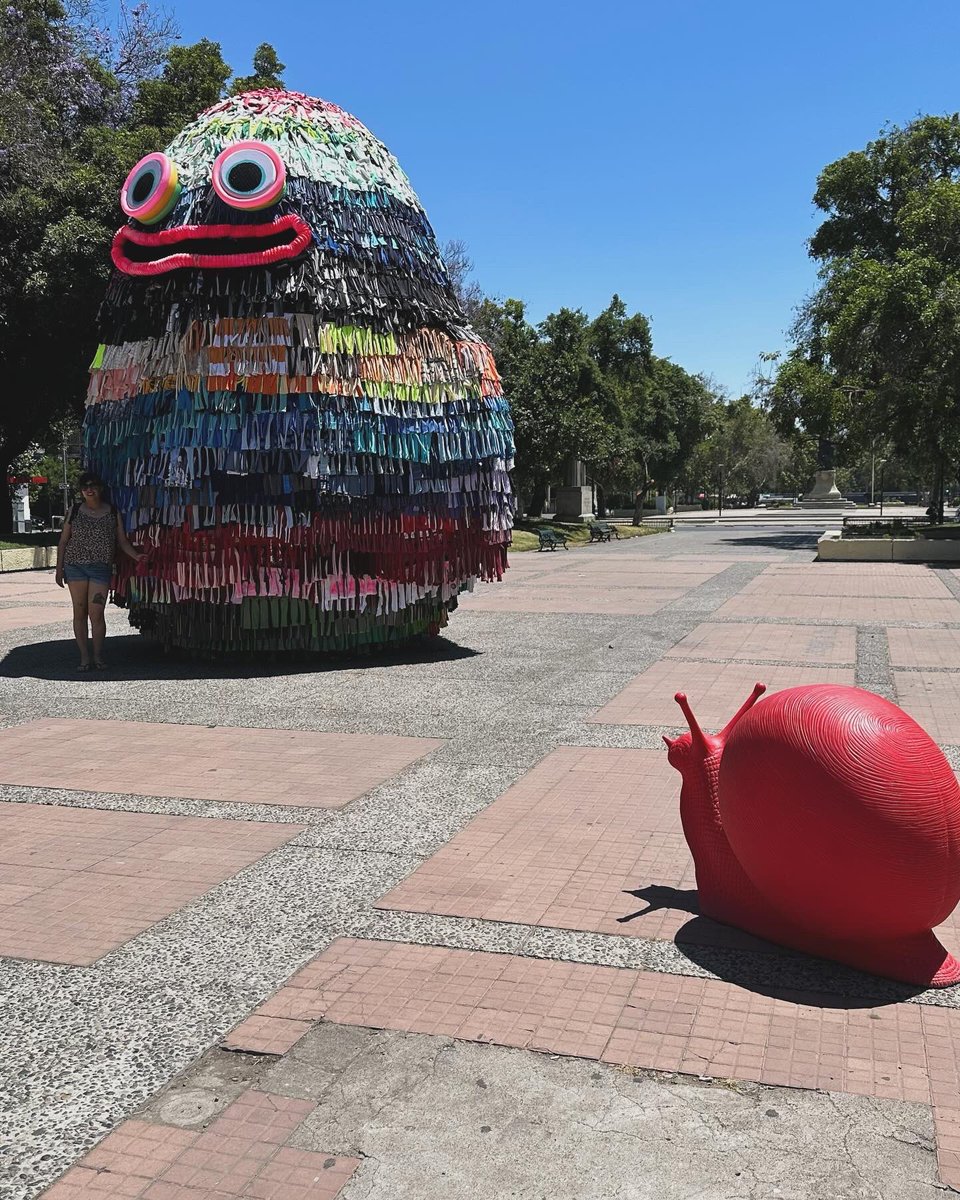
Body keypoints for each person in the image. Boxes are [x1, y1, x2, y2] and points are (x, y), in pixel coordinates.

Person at [55, 473, 143, 670]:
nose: (89, 489)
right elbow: (63, 541)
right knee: (79, 610)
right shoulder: (75, 510)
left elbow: (121, 541)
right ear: (80, 491)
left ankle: (97, 655)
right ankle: (84, 657)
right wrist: (59, 568)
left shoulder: (112, 511)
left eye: (93, 485)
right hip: (75, 565)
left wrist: (136, 556)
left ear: (100, 488)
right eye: (85, 486)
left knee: (96, 612)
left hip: (100, 566)